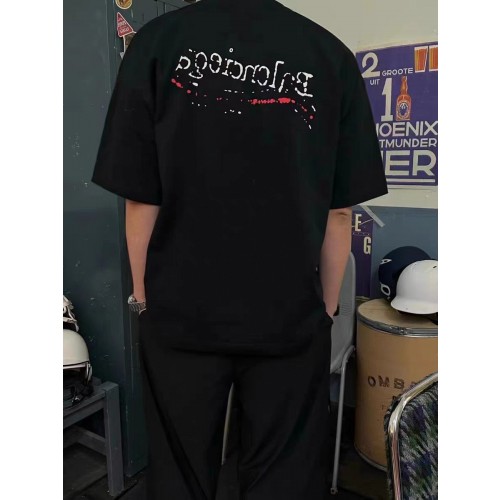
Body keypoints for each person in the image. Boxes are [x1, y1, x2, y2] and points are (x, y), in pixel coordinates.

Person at [91, 0, 388, 498]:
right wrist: (326, 309)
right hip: (288, 316)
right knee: (283, 478)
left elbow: (141, 200)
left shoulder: (156, 44)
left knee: (180, 474)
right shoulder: (328, 54)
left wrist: (143, 298)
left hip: (181, 314)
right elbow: (339, 214)